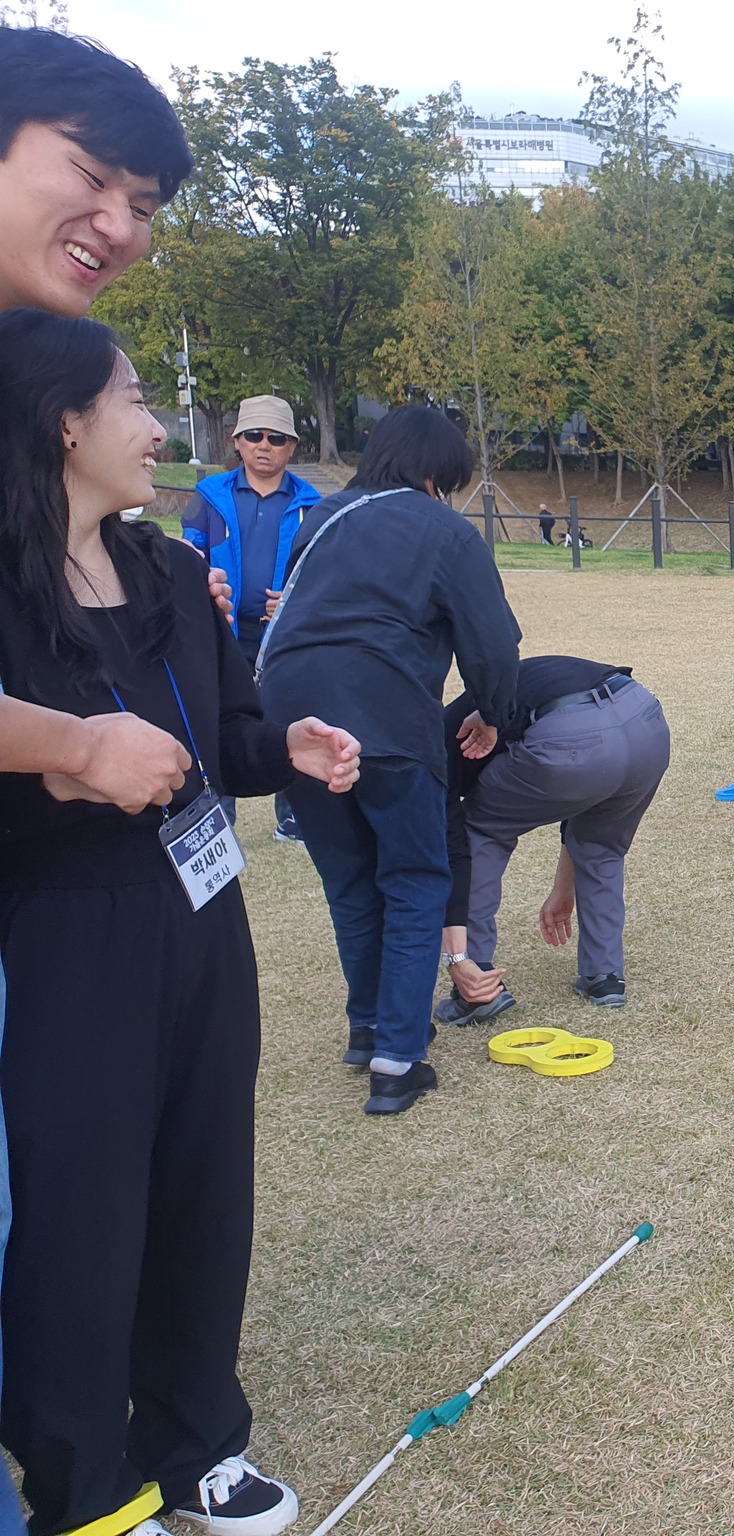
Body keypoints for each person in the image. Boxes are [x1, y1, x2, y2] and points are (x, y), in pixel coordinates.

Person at [0, 310, 362, 1536]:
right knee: (83, 1213)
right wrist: (62, 766)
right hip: (65, 929)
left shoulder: (165, 572)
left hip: (203, 912)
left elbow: (227, 738)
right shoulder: (3, 581)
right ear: (63, 423)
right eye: (135, 401)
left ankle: (200, 1434)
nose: (159, 427)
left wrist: (287, 748)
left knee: (204, 1191)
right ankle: (85, 1487)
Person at [0, 34, 206, 1536]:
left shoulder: (154, 559)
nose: (120, 224)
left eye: (143, 201)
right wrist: (73, 746)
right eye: (91, 172)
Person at [259, 405, 522, 1114]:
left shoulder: (321, 519)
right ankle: (398, 1060)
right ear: (434, 473)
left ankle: (367, 1026)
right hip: (386, 717)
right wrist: (492, 713)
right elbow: (494, 645)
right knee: (413, 882)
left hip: (295, 723)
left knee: (351, 881)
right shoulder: (443, 529)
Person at [436, 657, 671, 1022]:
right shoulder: (480, 704)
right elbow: (583, 803)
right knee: (602, 846)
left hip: (571, 735)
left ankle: (476, 986)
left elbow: (456, 849)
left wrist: (456, 954)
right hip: (645, 719)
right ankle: (604, 977)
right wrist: (563, 892)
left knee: (480, 831)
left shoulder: (441, 749)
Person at [181, 394, 321, 841]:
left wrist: (298, 604)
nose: (264, 445)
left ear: (292, 447)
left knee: (290, 718)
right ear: (236, 441)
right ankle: (219, 818)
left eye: (276, 438)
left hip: (285, 637)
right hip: (219, 633)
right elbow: (189, 558)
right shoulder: (207, 498)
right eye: (254, 435)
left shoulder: (314, 506)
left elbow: (324, 576)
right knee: (216, 721)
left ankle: (295, 816)